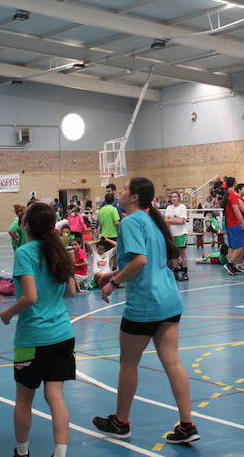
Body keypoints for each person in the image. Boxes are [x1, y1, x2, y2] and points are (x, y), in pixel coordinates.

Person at [93, 177, 200, 445]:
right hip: (169, 300)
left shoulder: (130, 222)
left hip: (144, 303)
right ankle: (187, 424)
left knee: (128, 364)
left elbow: (140, 261)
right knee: (173, 363)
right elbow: (147, 262)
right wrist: (112, 274)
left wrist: (113, 284)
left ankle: (121, 422)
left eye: (125, 189)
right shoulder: (153, 220)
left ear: (134, 197)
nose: (120, 192)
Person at [0, 202, 76, 457]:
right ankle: (60, 453)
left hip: (33, 337)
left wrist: (8, 313)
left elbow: (30, 297)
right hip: (63, 334)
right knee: (56, 397)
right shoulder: (59, 251)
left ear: (26, 225)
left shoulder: (24, 253)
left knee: (24, 400)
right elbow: (71, 291)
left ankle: (22, 452)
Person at [222, 176, 244, 276]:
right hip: (234, 224)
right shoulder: (232, 196)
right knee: (241, 244)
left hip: (229, 224)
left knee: (233, 246)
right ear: (234, 184)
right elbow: (237, 212)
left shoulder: (228, 195)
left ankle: (233, 266)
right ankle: (230, 264)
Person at [164, 191, 189, 281]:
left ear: (179, 198)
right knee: (174, 255)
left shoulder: (182, 207)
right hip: (172, 234)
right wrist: (176, 220)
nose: (173, 198)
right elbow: (165, 220)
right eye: (172, 197)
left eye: (175, 196)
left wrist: (171, 220)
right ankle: (175, 273)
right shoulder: (169, 208)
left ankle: (185, 274)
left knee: (182, 254)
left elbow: (181, 221)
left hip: (181, 234)